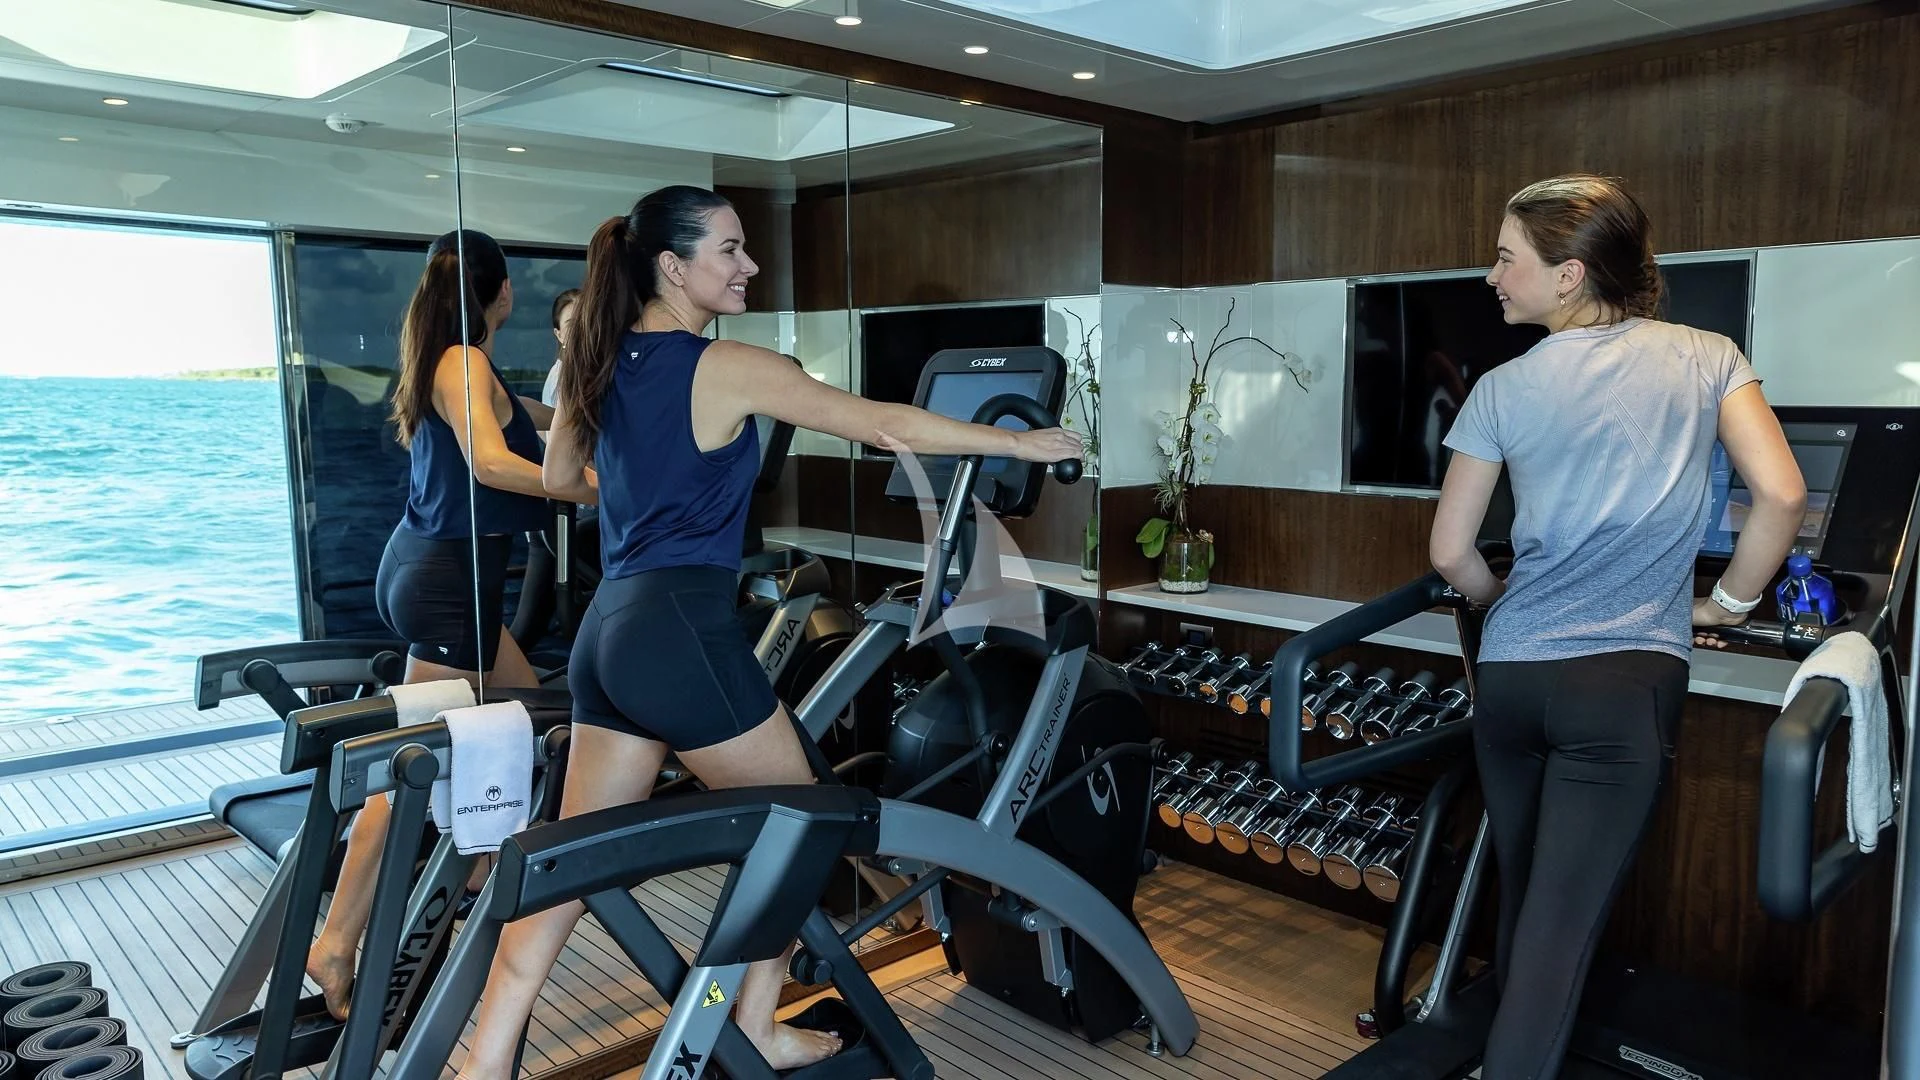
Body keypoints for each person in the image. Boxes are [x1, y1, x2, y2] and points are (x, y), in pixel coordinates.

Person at [451, 185, 1081, 1079]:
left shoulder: (600, 361)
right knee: (809, 824)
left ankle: (484, 1063)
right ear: (673, 266)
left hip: (612, 629)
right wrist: (1019, 446)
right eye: (730, 250)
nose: (748, 266)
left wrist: (650, 490)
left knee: (574, 861)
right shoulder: (728, 366)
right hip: (677, 629)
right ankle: (757, 1026)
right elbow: (879, 424)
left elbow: (559, 474)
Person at [1427, 174, 1806, 1079]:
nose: (1492, 275)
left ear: (1567, 276)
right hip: (1624, 679)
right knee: (1560, 925)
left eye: (1507, 257)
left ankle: (1498, 1059)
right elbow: (1784, 496)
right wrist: (1728, 605)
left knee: (1529, 896)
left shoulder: (1502, 387)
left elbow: (1451, 554)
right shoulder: (1709, 355)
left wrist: (1495, 603)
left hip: (1513, 680)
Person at [306, 229, 561, 1020]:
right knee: (410, 756)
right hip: (453, 582)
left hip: (435, 568)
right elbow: (491, 462)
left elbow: (537, 417)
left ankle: (481, 865)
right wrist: (587, 490)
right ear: (503, 292)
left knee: (538, 718)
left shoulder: (445, 361)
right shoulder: (466, 360)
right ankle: (337, 940)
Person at [541, 287, 580, 412]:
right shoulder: (561, 378)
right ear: (559, 335)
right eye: (571, 324)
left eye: (586, 320)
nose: (581, 329)